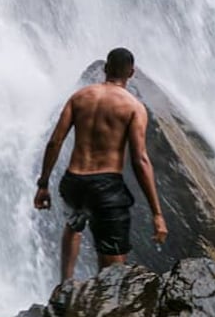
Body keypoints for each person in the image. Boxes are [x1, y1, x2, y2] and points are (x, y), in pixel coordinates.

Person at [34, 47, 168, 283]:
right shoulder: (134, 107)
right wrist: (157, 212)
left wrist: (43, 184)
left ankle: (64, 286)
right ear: (131, 73)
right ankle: (105, 302)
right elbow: (140, 159)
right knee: (113, 259)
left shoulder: (80, 97)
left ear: (105, 69)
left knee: (74, 225)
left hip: (74, 181)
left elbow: (55, 142)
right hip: (106, 186)